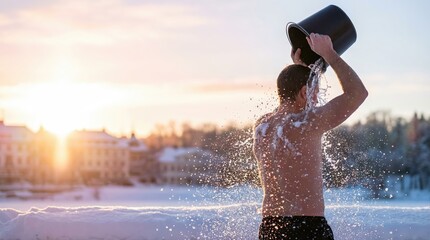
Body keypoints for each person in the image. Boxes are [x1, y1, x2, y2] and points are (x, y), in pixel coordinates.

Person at [253, 33, 368, 240]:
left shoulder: (263, 125)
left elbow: (294, 92)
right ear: (304, 93)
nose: (316, 100)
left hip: (270, 227)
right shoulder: (308, 122)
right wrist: (330, 54)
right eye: (313, 92)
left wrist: (302, 70)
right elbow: (357, 93)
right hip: (307, 227)